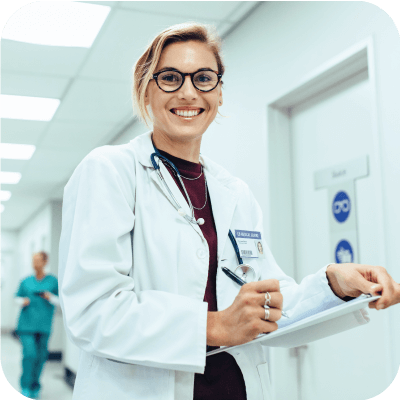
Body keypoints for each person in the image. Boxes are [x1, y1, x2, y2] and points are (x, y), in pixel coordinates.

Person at [58, 22, 400, 400]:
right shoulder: (110, 171)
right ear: (146, 89)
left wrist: (334, 283)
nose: (188, 92)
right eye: (170, 77)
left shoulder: (233, 191)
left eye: (203, 78)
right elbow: (93, 311)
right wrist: (215, 326)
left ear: (219, 92)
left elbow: (268, 307)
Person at [14, 251, 59, 400]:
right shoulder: (25, 281)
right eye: (33, 260)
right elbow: (16, 297)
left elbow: (61, 301)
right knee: (29, 354)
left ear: (45, 262)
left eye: (38, 260)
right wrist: (23, 301)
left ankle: (35, 386)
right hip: (26, 325)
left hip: (44, 325)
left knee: (40, 357)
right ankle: (25, 386)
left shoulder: (53, 281)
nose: (35, 263)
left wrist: (50, 297)